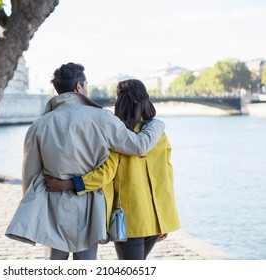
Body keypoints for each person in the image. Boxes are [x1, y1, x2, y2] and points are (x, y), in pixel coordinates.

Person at [5, 63, 165, 260]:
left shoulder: (40, 125)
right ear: (79, 86)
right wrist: (157, 124)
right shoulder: (103, 118)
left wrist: (33, 208)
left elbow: (29, 176)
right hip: (90, 207)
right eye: (86, 84)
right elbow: (139, 146)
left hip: (52, 204)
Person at [45, 79, 180, 260]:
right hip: (157, 219)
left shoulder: (118, 135)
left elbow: (105, 174)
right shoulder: (158, 134)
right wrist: (163, 220)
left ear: (120, 102)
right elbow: (167, 177)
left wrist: (68, 184)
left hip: (130, 222)